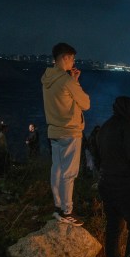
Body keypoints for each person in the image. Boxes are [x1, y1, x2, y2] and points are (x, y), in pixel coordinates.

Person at [41, 43, 90, 226]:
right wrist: (75, 81)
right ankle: (67, 211)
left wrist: (73, 80)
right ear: (65, 58)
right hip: (69, 132)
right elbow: (85, 103)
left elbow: (62, 97)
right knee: (69, 174)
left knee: (57, 170)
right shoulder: (66, 80)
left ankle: (58, 207)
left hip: (53, 131)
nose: (74, 62)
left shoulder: (47, 78)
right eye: (72, 58)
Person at [97, 96, 130, 257]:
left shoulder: (105, 127)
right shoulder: (128, 127)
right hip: (125, 185)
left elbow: (97, 156)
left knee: (113, 226)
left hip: (106, 183)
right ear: (128, 110)